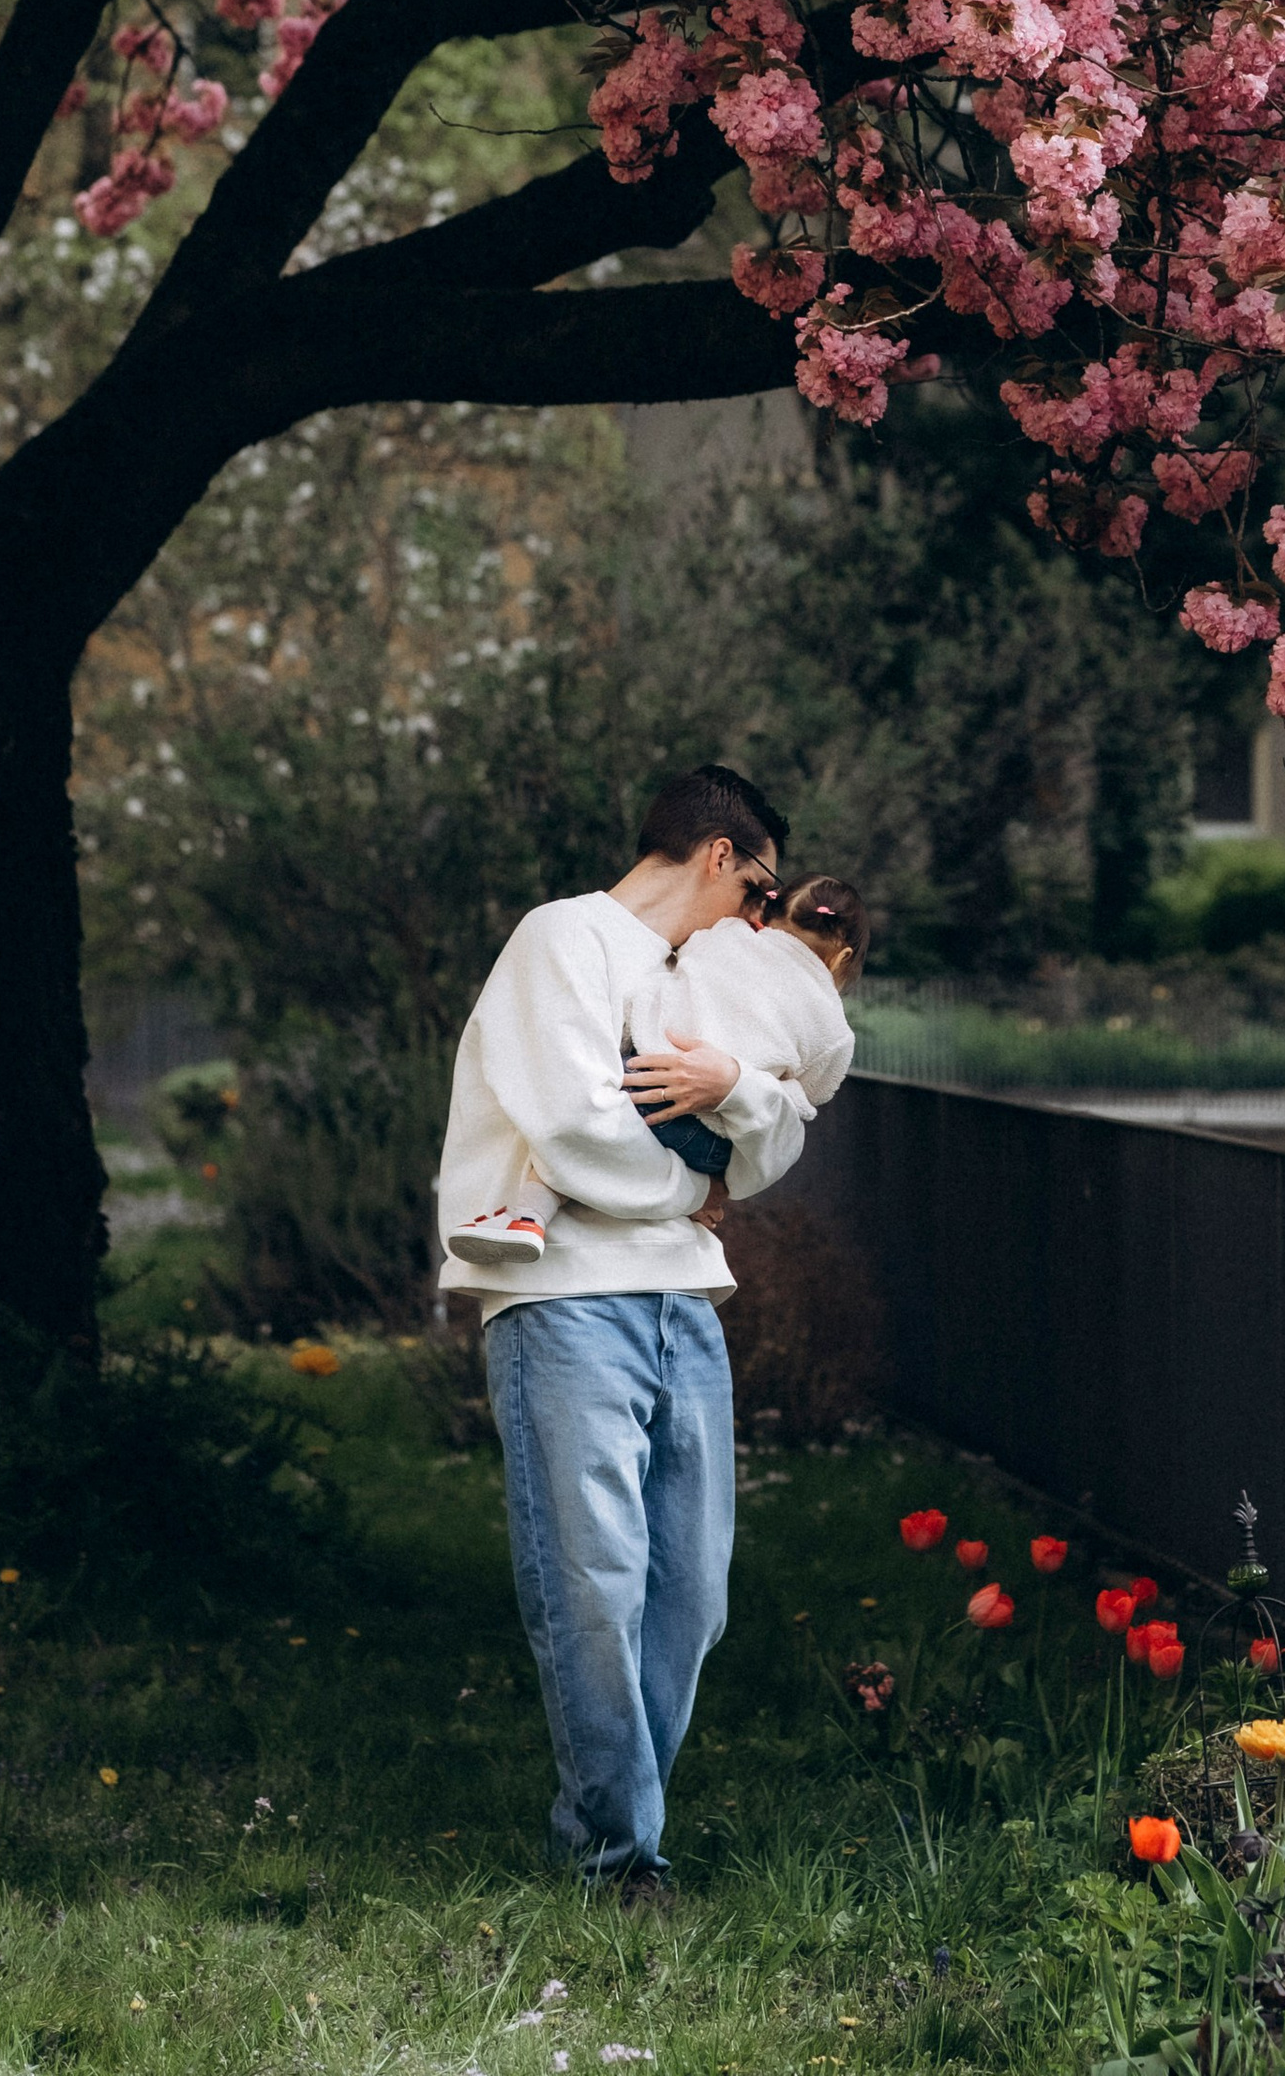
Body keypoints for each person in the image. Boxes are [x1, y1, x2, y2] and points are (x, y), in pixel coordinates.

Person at [433, 764, 805, 1890]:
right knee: (595, 1581)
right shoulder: (561, 942)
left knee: (691, 1592)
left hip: (685, 1299)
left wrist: (737, 1079)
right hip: (562, 1301)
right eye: (760, 890)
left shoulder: (711, 984)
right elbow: (575, 1126)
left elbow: (781, 1132)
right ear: (714, 855)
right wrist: (694, 1188)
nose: (762, 921)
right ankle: (615, 1855)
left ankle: (620, 1823)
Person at [452, 872, 867, 1247]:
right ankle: (686, 1199)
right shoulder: (834, 1029)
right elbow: (811, 1096)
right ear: (843, 958)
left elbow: (686, 963)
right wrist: (774, 1088)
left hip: (645, 1081)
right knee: (626, 1148)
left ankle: (528, 1216)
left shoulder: (724, 935)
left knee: (574, 1143)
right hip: (714, 1143)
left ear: (769, 913)